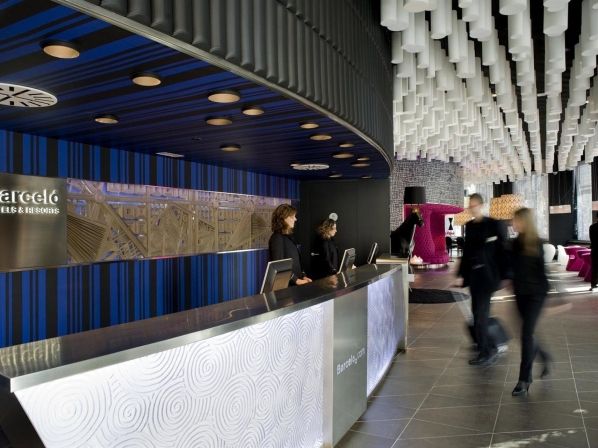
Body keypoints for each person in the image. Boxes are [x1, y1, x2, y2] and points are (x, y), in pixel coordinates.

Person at [457, 193, 508, 366]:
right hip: (474, 277)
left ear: (481, 205)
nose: (472, 208)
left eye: (474, 205)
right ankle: (485, 347)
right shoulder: (469, 226)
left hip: (488, 277)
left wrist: (505, 275)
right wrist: (461, 275)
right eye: (470, 206)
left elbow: (503, 250)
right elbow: (467, 253)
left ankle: (487, 350)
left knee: (480, 315)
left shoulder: (493, 224)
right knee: (478, 313)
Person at [510, 207, 552, 396]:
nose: (513, 223)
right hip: (520, 294)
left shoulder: (537, 243)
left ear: (525, 222)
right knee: (528, 334)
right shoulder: (513, 244)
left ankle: (524, 379)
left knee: (526, 334)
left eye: (516, 220)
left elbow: (543, 273)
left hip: (536, 295)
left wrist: (553, 299)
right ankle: (545, 357)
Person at [268, 204, 312, 286]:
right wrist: (296, 280)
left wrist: (303, 276)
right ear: (283, 218)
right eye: (292, 217)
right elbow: (279, 265)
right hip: (287, 285)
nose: (295, 219)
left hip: (295, 283)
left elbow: (296, 261)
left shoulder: (288, 237)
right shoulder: (277, 238)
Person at [590, 217, 598, 290]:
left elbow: (591, 238)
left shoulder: (592, 226)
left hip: (595, 249)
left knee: (594, 268)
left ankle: (593, 284)